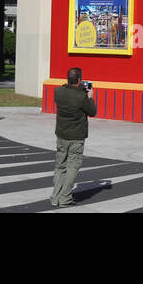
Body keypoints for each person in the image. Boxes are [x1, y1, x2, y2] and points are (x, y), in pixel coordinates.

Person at [51, 68, 96, 208]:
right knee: (72, 167)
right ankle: (65, 198)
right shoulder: (82, 97)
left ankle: (55, 197)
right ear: (79, 80)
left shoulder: (58, 92)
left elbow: (68, 94)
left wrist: (79, 90)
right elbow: (92, 112)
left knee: (60, 166)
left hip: (61, 135)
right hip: (76, 136)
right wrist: (90, 96)